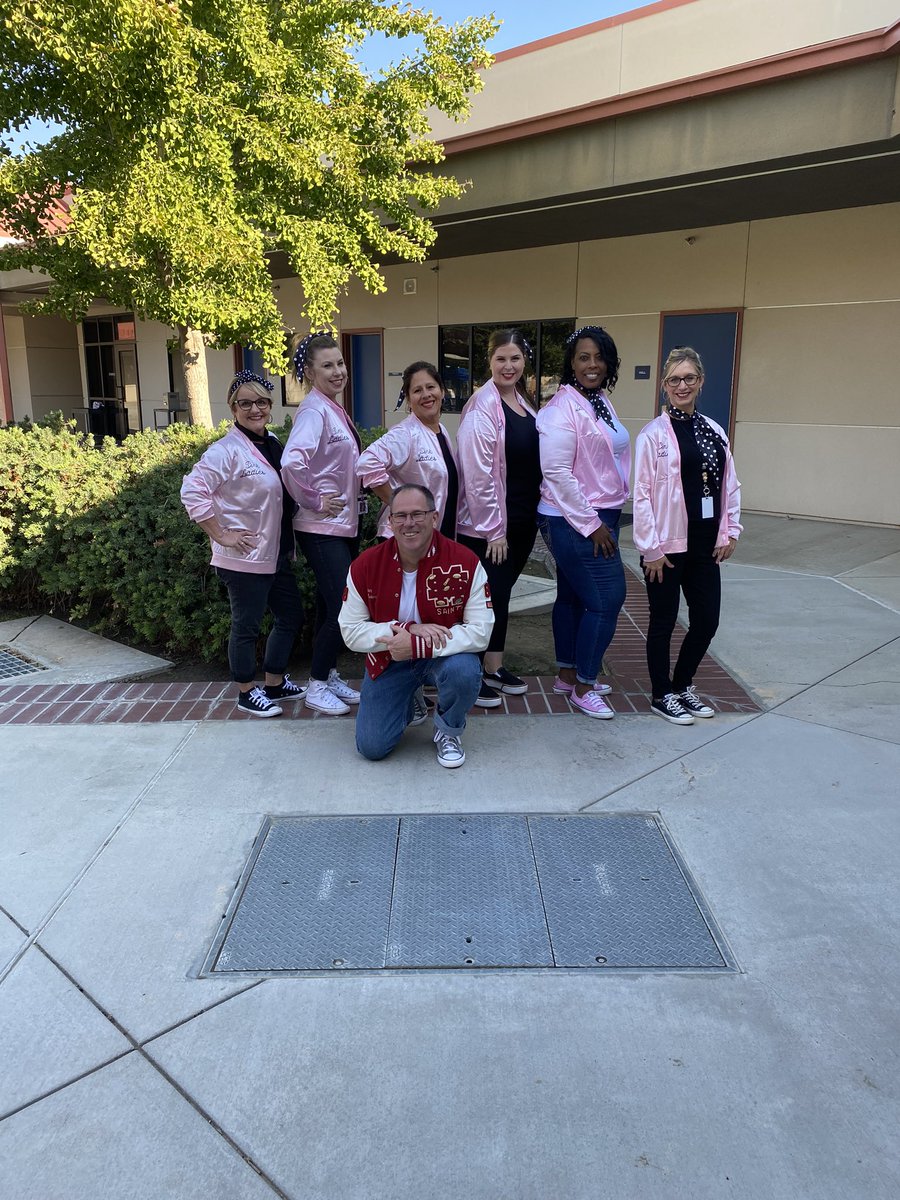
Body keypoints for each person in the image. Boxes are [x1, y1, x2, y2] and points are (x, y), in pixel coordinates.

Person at [338, 484, 493, 769]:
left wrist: (419, 645)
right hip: (389, 659)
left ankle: (448, 730)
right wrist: (405, 629)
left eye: (418, 514)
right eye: (401, 516)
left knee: (465, 671)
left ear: (434, 518)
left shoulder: (465, 561)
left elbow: (481, 631)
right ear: (390, 521)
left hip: (443, 658)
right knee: (371, 747)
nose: (409, 523)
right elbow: (350, 630)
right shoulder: (365, 565)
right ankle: (410, 699)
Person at [180, 370, 305, 717]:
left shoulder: (272, 441)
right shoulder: (226, 451)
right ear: (233, 408)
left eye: (262, 402)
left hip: (275, 553)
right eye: (245, 403)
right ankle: (246, 691)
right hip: (244, 557)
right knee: (246, 626)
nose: (255, 409)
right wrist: (221, 535)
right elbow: (192, 490)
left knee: (290, 615)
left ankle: (275, 683)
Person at [633, 346, 741, 724]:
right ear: (664, 386)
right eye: (675, 379)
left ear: (701, 382)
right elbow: (642, 495)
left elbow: (730, 485)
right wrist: (651, 549)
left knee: (706, 620)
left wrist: (731, 531)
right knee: (663, 622)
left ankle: (682, 684)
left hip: (704, 545)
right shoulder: (653, 435)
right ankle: (661, 693)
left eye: (689, 378)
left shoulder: (714, 432)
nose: (682, 385)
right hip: (666, 548)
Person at [536, 325, 630, 719]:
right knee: (607, 599)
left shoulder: (599, 400)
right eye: (583, 358)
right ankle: (584, 686)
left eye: (598, 357)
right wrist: (592, 524)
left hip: (598, 512)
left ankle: (567, 674)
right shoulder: (561, 409)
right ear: (571, 364)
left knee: (574, 596)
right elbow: (556, 472)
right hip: (575, 517)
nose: (592, 365)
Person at [457, 328, 541, 708]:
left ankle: (493, 667)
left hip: (521, 521)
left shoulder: (524, 402)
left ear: (525, 363)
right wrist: (494, 530)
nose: (508, 366)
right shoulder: (482, 406)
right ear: (489, 362)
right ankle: (471, 675)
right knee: (484, 601)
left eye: (515, 359)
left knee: (501, 597)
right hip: (490, 529)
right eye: (500, 359)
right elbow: (477, 476)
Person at [281, 332, 364, 716]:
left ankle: (327, 673)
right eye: (327, 365)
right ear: (311, 372)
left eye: (340, 363)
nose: (338, 371)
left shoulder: (331, 408)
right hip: (321, 528)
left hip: (342, 526)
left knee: (329, 602)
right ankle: (316, 684)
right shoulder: (314, 411)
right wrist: (315, 499)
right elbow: (291, 462)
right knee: (344, 606)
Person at [356, 360, 459, 539]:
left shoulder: (441, 431)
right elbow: (367, 462)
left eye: (431, 387)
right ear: (409, 400)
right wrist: (398, 504)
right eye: (417, 390)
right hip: (405, 539)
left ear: (442, 391)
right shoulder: (406, 433)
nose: (426, 394)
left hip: (433, 536)